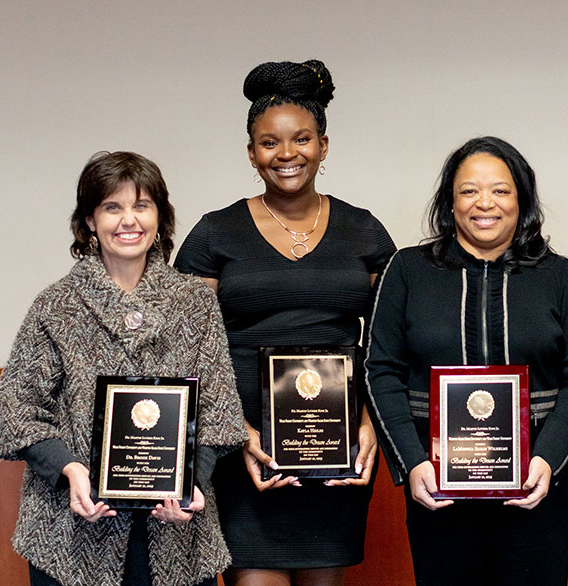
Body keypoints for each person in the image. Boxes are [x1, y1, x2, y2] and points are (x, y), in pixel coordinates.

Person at [174, 60, 396, 586]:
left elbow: (391, 344)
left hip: (338, 443)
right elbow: (188, 348)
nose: (287, 154)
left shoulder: (363, 230)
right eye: (269, 143)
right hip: (245, 449)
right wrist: (238, 432)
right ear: (251, 153)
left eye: (301, 139)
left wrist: (369, 425)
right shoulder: (215, 234)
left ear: (324, 145)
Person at [0, 151, 248, 586]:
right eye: (113, 207)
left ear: (159, 217)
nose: (129, 221)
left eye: (141, 206)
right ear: (90, 220)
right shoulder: (56, 306)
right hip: (71, 530)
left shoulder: (195, 302)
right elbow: (19, 406)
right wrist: (70, 470)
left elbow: (218, 408)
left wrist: (189, 483)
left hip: (174, 531)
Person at [365, 136, 568, 586]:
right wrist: (412, 462)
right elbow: (380, 371)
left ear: (522, 200)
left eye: (500, 190)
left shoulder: (561, 275)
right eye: (469, 190)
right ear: (449, 203)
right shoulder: (407, 271)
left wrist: (548, 460)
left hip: (535, 486)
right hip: (437, 488)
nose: (484, 203)